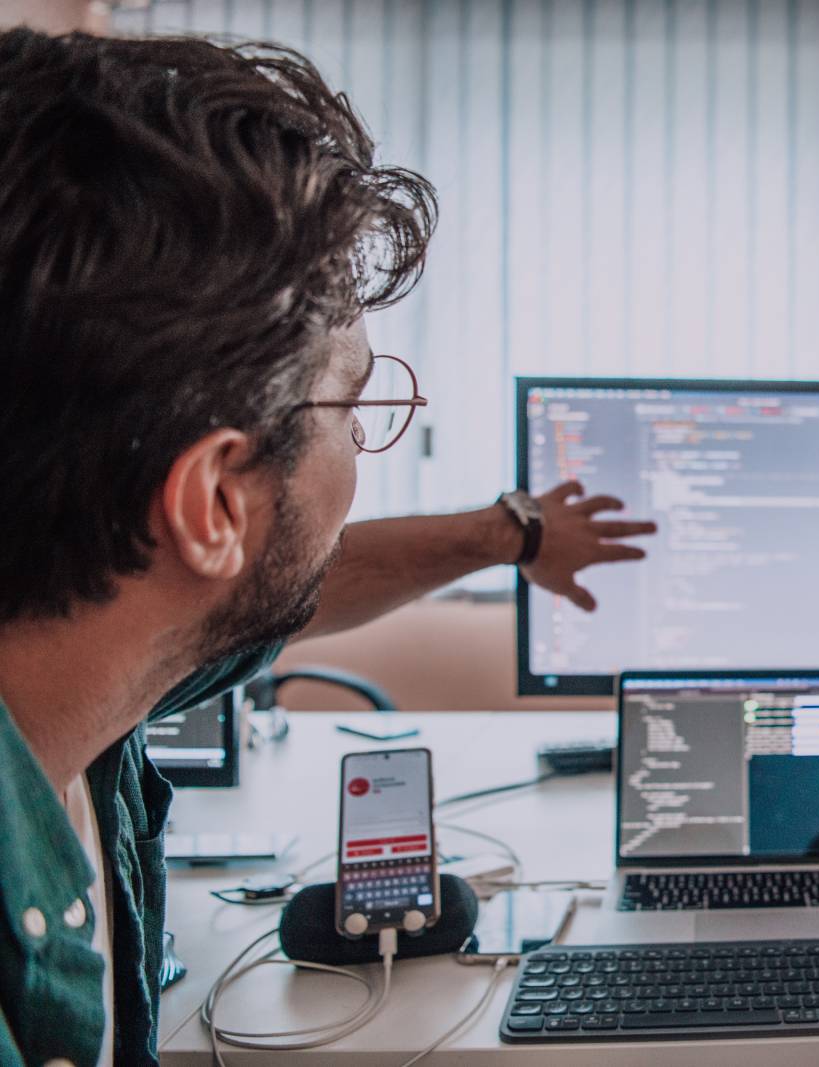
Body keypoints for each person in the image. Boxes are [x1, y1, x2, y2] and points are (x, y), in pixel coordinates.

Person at [0, 29, 652, 1067]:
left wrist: (509, 534)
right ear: (213, 501)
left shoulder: (91, 648)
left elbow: (282, 582)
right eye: (353, 405)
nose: (365, 441)